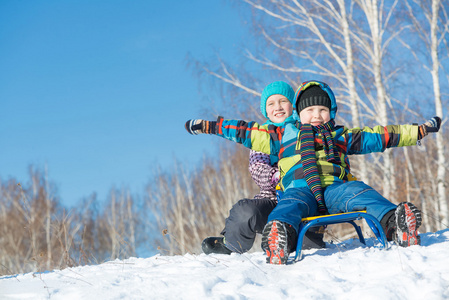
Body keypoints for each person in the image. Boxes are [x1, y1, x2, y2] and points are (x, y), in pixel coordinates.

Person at [185, 80, 441, 265]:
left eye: (322, 110)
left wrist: (417, 131)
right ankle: (280, 237)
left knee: (361, 193)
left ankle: (395, 224)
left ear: (331, 112)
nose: (316, 115)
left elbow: (381, 136)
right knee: (287, 207)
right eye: (309, 111)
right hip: (298, 189)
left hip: (336, 188)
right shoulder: (281, 135)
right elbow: (242, 131)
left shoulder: (340, 135)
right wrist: (209, 126)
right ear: (299, 113)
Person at [201, 81, 325, 255]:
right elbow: (258, 168)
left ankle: (294, 241)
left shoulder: (304, 131)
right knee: (245, 210)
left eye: (283, 101)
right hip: (273, 200)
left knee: (309, 250)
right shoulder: (262, 135)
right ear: (265, 110)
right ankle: (231, 244)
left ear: (293, 105)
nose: (278, 107)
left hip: (304, 198)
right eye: (271, 103)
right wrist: (278, 175)